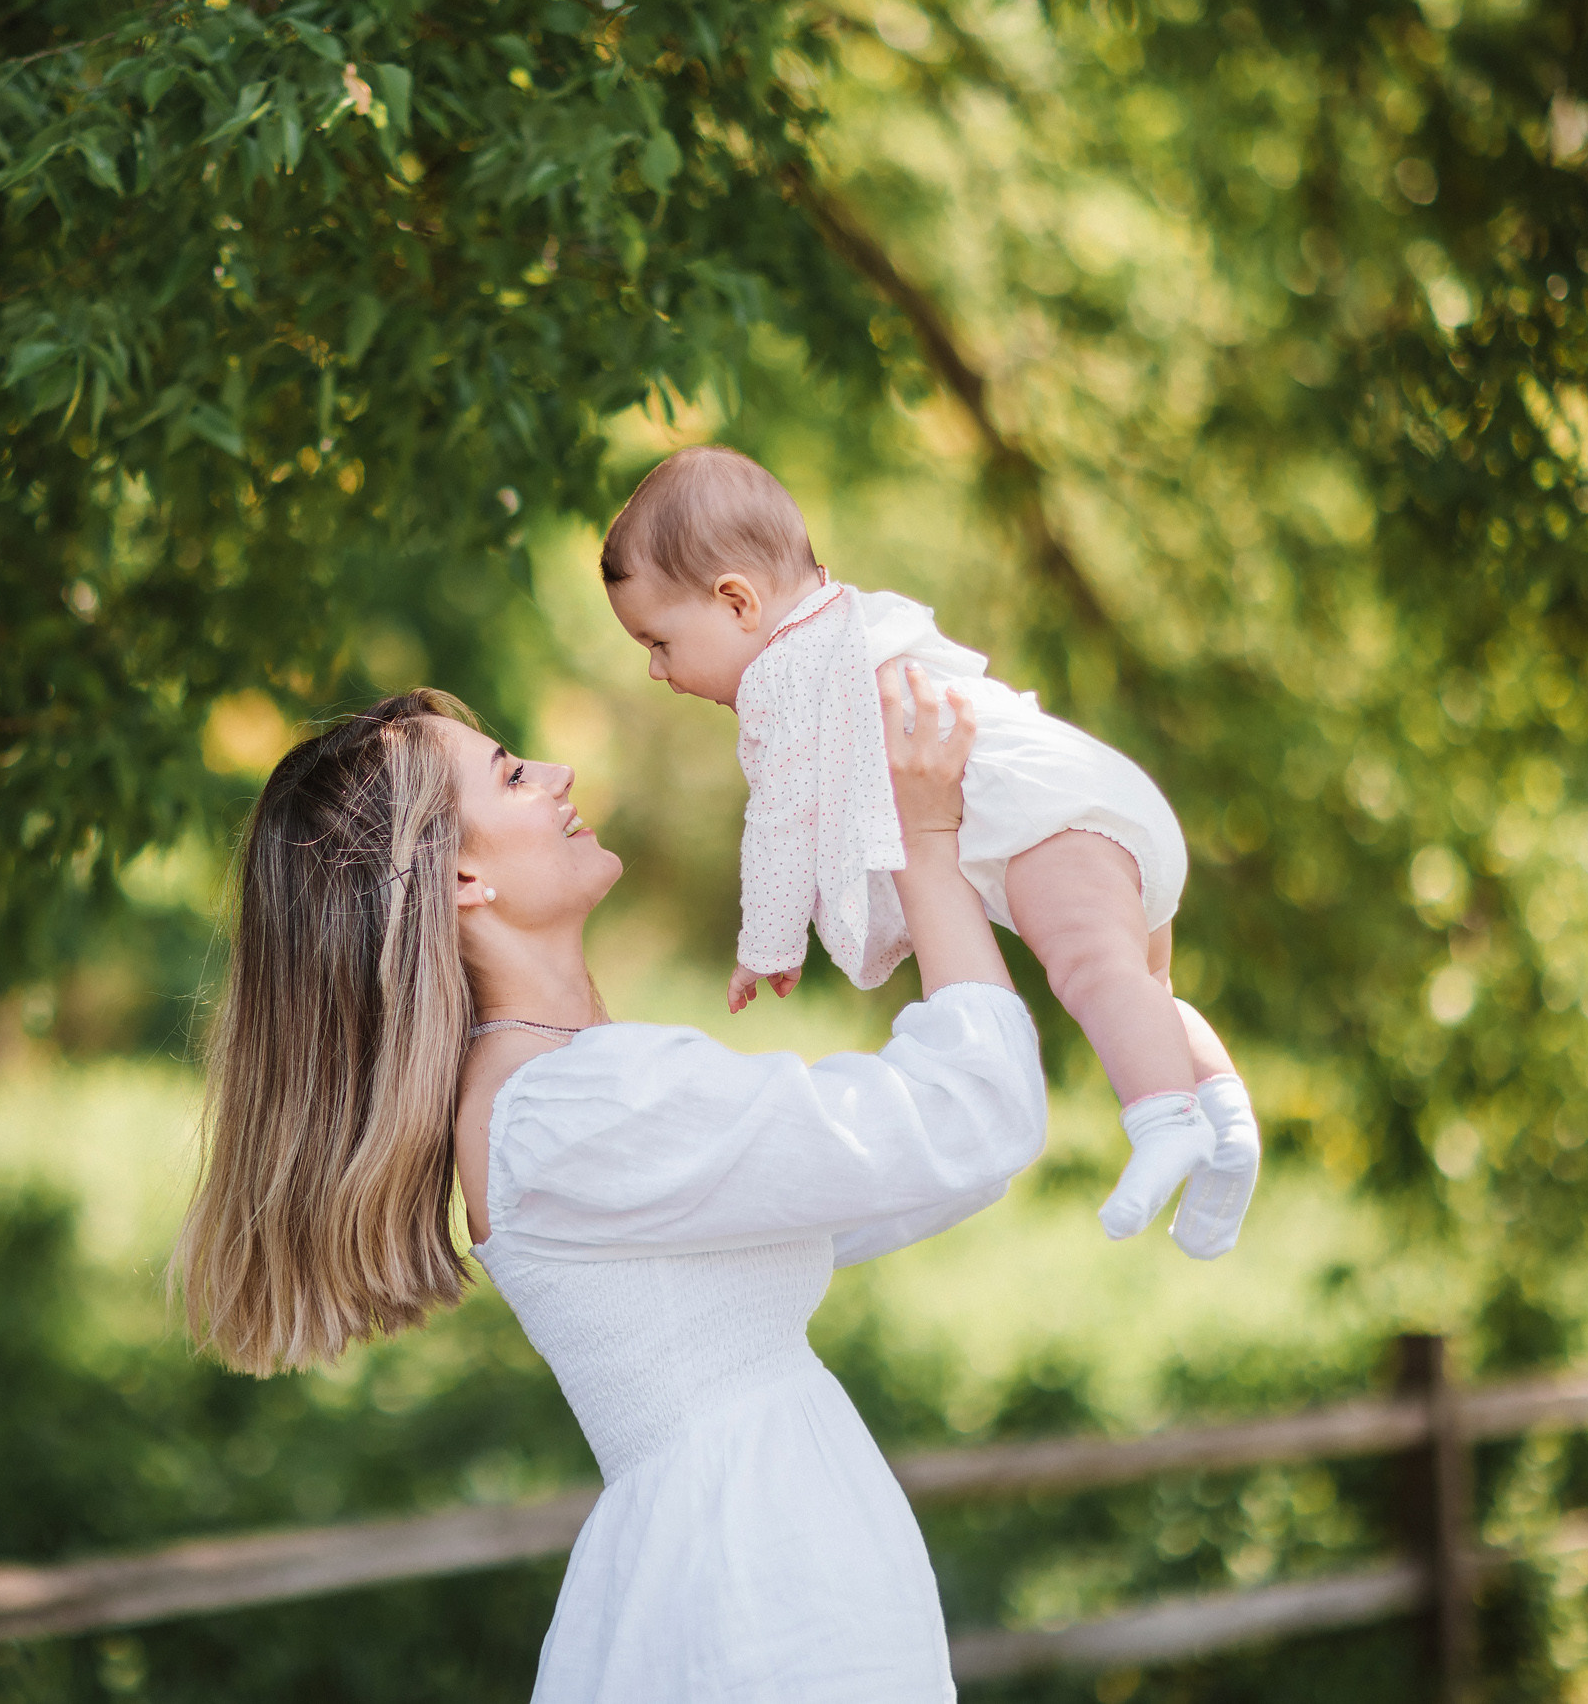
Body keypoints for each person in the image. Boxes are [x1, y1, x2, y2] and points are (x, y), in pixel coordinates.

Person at [177, 666, 1047, 1700]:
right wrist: (928, 846)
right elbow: (974, 1117)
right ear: (461, 880)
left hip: (764, 1558)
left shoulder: (566, 1101)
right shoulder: (573, 1111)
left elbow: (924, 1171)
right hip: (757, 1590)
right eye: (508, 776)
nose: (557, 773)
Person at [599, 443, 1258, 1259]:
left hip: (1044, 817)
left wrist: (765, 942)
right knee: (1139, 984)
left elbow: (780, 818)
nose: (657, 671)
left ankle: (1164, 1119)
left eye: (658, 642)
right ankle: (1223, 1120)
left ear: (737, 601)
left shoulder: (783, 673)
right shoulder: (846, 621)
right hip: (1090, 794)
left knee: (1093, 972)